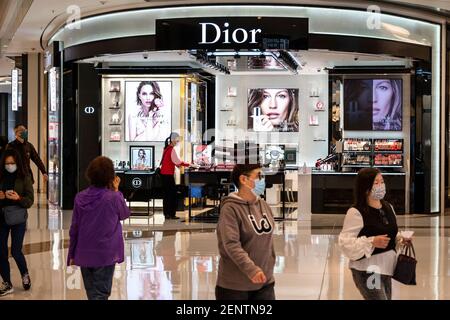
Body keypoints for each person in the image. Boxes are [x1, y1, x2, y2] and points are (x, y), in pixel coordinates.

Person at [338, 168, 412, 300]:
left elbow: (390, 234)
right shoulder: (356, 212)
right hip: (369, 269)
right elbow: (345, 243)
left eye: (382, 181)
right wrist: (371, 241)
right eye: (376, 183)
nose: (381, 185)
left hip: (387, 268)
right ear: (366, 188)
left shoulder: (388, 207)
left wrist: (400, 239)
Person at [67, 156, 130, 300]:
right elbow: (124, 214)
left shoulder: (80, 197)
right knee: (101, 294)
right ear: (110, 176)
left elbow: (74, 228)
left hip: (84, 252)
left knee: (92, 294)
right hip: (105, 253)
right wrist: (116, 190)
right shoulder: (113, 197)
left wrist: (72, 254)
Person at [216, 164, 276, 300]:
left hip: (265, 283)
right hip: (235, 287)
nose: (262, 180)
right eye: (259, 176)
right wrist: (252, 270)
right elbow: (231, 244)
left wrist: (269, 268)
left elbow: (268, 241)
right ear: (243, 179)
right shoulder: (230, 208)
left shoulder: (264, 205)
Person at [0, 149, 34, 296]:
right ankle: (7, 283)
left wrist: (18, 198)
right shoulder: (0, 176)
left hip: (18, 217)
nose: (9, 166)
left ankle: (24, 274)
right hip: (1, 217)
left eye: (12, 163)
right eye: (7, 163)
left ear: (17, 163)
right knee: (0, 252)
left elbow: (30, 200)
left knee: (15, 251)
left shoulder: (24, 176)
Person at [160, 132, 191, 220]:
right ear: (173, 140)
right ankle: (171, 214)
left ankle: (167, 214)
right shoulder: (171, 149)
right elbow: (178, 162)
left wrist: (177, 165)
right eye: (177, 140)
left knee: (166, 196)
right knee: (172, 195)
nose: (177, 142)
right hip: (168, 176)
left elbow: (173, 162)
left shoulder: (166, 148)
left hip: (164, 175)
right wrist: (189, 164)